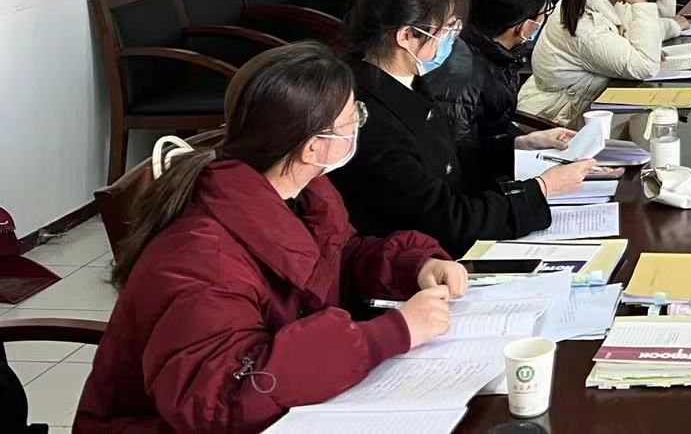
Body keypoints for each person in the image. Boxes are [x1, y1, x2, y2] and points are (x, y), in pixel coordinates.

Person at [75, 42, 466, 432]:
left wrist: (412, 265)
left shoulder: (302, 194)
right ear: (313, 147)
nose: (359, 126)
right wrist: (387, 335)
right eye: (354, 118)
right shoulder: (199, 256)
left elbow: (336, 260)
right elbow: (223, 401)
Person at [331, 0, 593, 258]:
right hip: (420, 260)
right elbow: (447, 221)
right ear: (407, 36)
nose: (454, 38)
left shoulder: (405, 80)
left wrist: (518, 145)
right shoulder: (368, 118)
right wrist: (541, 190)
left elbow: (451, 159)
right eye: (447, 29)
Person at [422, 0, 585, 190]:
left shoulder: (490, 50)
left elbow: (483, 140)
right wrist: (536, 187)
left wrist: (522, 143)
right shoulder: (461, 80)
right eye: (545, 11)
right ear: (525, 26)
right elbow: (458, 171)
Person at [520, 0, 683, 126]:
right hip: (556, 120)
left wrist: (674, 26)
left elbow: (635, 30)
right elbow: (646, 66)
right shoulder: (585, 26)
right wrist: (640, 3)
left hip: (589, 107)